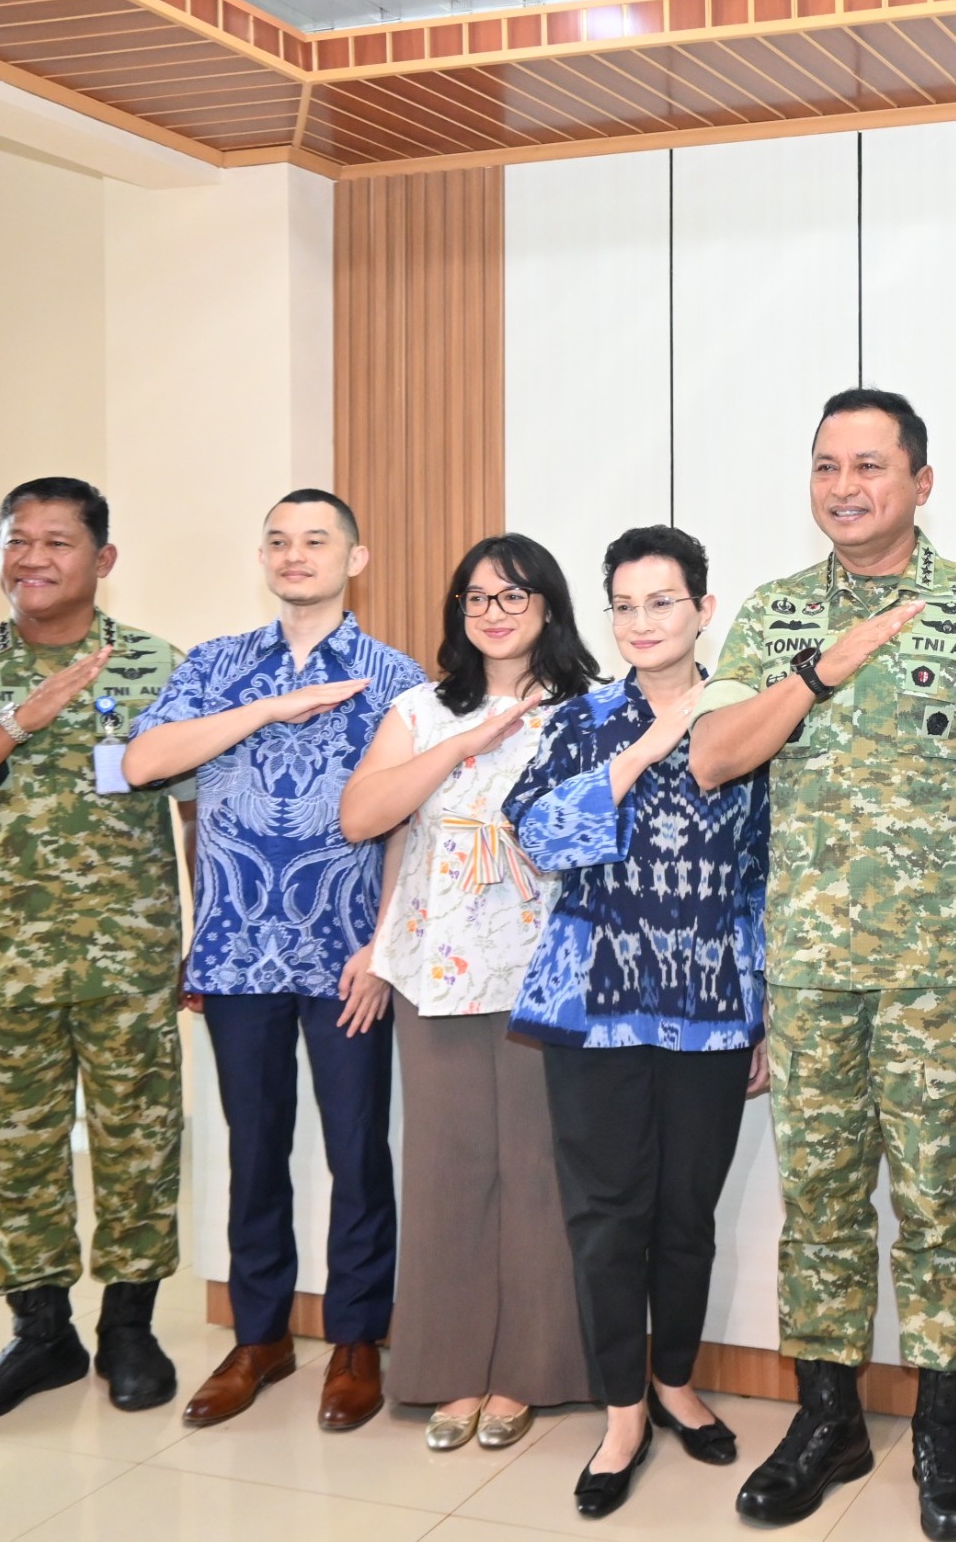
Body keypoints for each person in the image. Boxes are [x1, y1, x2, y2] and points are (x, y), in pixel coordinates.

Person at [690, 388, 956, 1540]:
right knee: (821, 1202)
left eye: (869, 465)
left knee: (940, 1200)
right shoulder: (771, 614)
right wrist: (820, 670)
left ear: (920, 482)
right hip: (806, 966)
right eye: (825, 465)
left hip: (939, 968)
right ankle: (828, 1417)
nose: (844, 486)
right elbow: (712, 756)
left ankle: (942, 1433)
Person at [0, 478, 189, 1425]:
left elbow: (196, 813)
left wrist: (209, 936)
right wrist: (17, 719)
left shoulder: (158, 668)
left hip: (131, 954)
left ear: (103, 560)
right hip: (4, 960)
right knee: (13, 1149)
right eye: (18, 540)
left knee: (139, 1138)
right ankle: (40, 1331)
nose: (33, 559)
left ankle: (130, 1325)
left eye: (58, 542)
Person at [124, 489, 424, 1432]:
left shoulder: (396, 674)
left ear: (356, 559)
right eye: (279, 542)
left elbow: (409, 827)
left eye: (317, 541)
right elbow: (143, 763)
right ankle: (259, 1338)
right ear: (262, 557)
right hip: (238, 950)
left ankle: (356, 1338)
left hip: (348, 956)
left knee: (356, 1153)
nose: (296, 556)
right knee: (254, 1154)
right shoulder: (217, 665)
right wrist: (272, 709)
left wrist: (384, 945)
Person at [502, 524, 770, 1519]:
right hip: (593, 1004)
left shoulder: (746, 718)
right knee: (607, 1218)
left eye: (663, 601)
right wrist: (648, 745)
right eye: (623, 603)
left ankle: (674, 1379)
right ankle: (622, 1409)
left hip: (708, 1007)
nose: (642, 621)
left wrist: (766, 1009)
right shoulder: (578, 720)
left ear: (703, 609)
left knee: (684, 1215)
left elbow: (764, 876)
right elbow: (538, 834)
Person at [338, 534, 598, 1451]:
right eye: (476, 598)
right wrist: (470, 743)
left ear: (549, 610)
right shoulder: (418, 708)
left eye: (513, 596)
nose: (493, 612)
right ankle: (450, 1371)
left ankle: (530, 1372)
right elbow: (370, 821)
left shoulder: (589, 709)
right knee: (449, 1172)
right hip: (435, 964)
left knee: (536, 1174)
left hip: (546, 971)